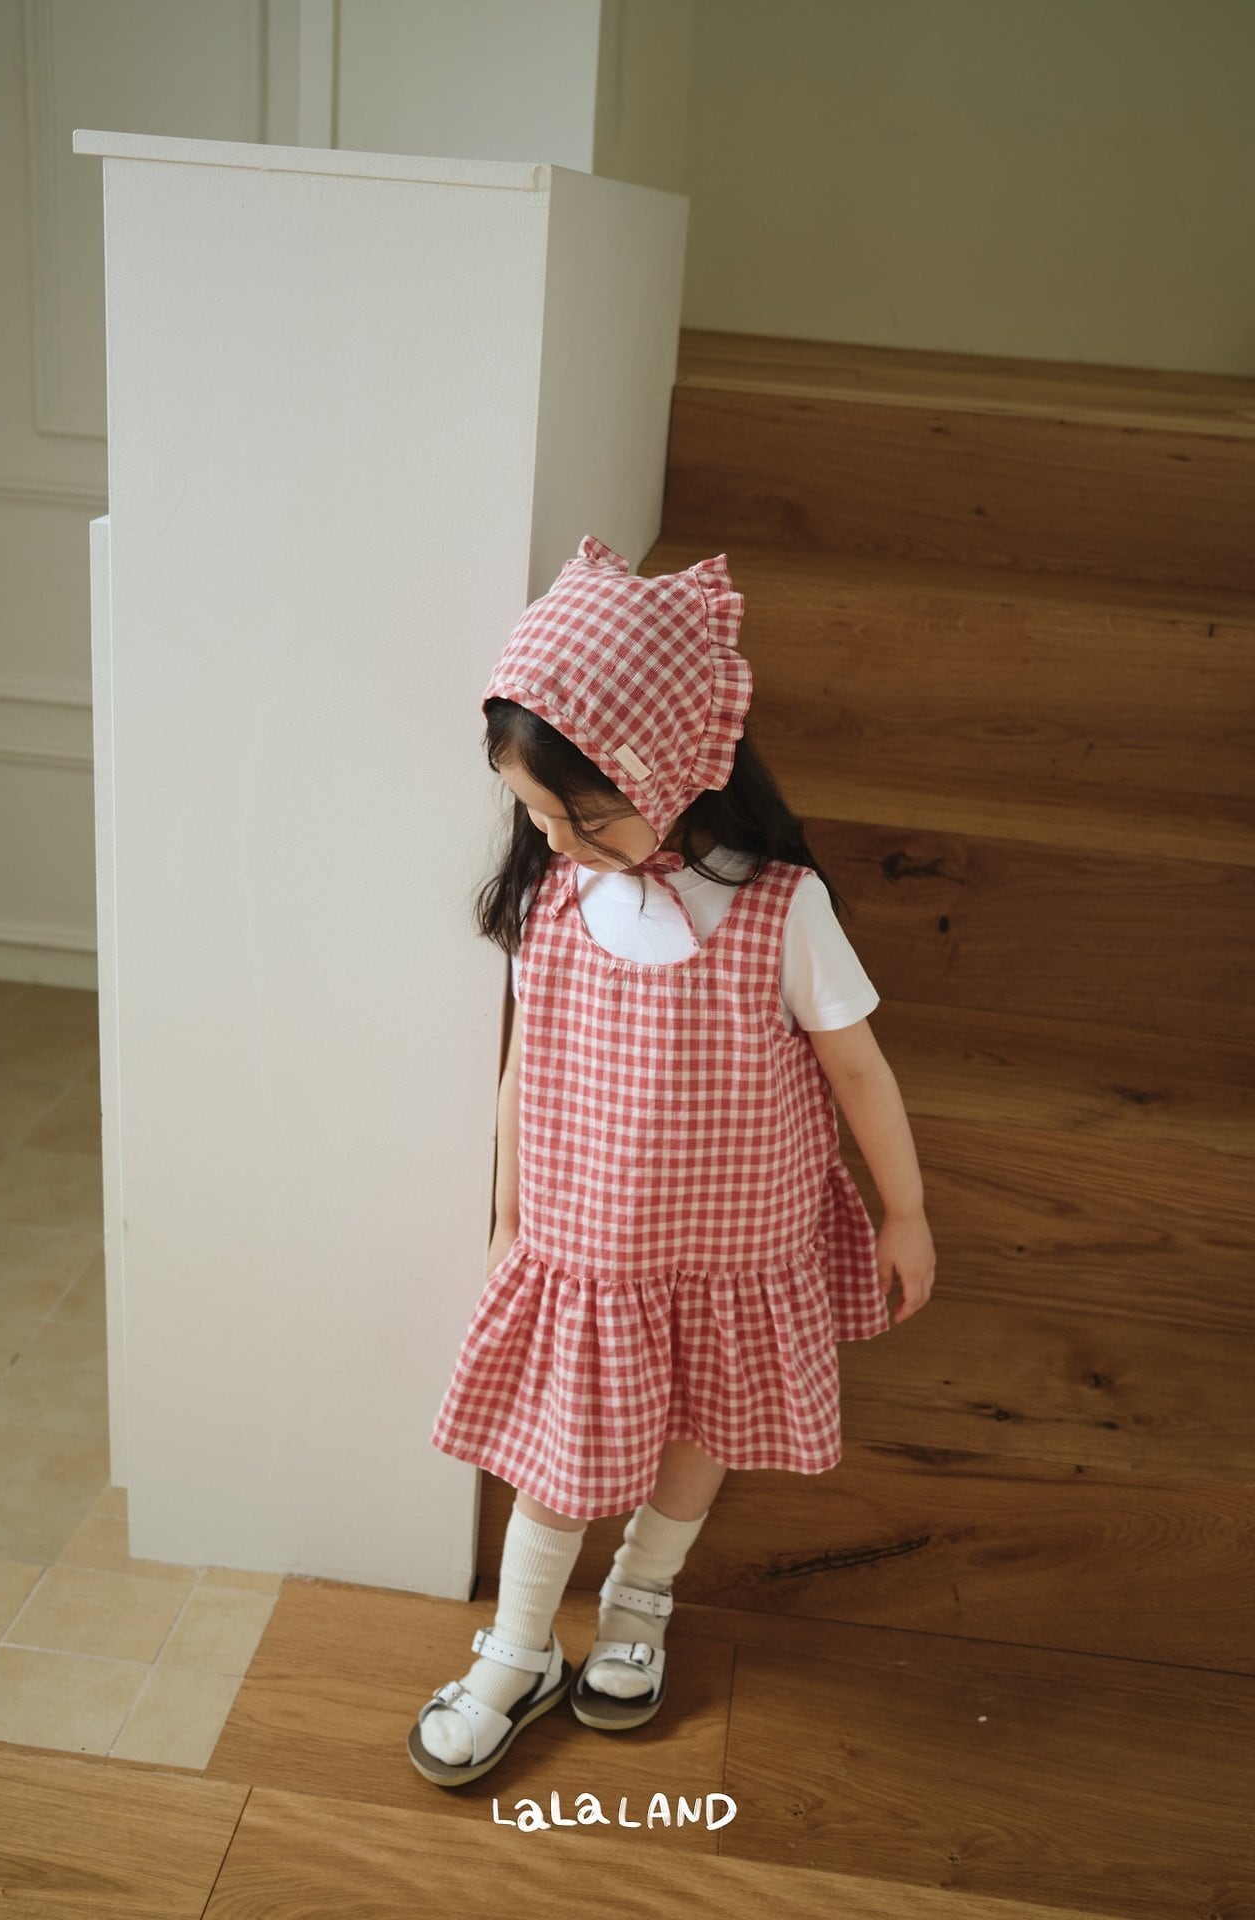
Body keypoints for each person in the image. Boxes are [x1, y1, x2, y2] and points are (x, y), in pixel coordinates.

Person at [408, 534, 936, 1786]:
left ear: (676, 767)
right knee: (559, 1457)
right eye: (536, 814)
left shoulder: (777, 910)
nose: (554, 839)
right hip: (588, 1249)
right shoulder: (553, 900)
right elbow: (525, 1067)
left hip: (736, 1246)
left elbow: (858, 1071)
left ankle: (640, 1597)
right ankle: (519, 1646)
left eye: (579, 816)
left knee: (706, 1429)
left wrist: (902, 1211)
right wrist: (508, 1218)